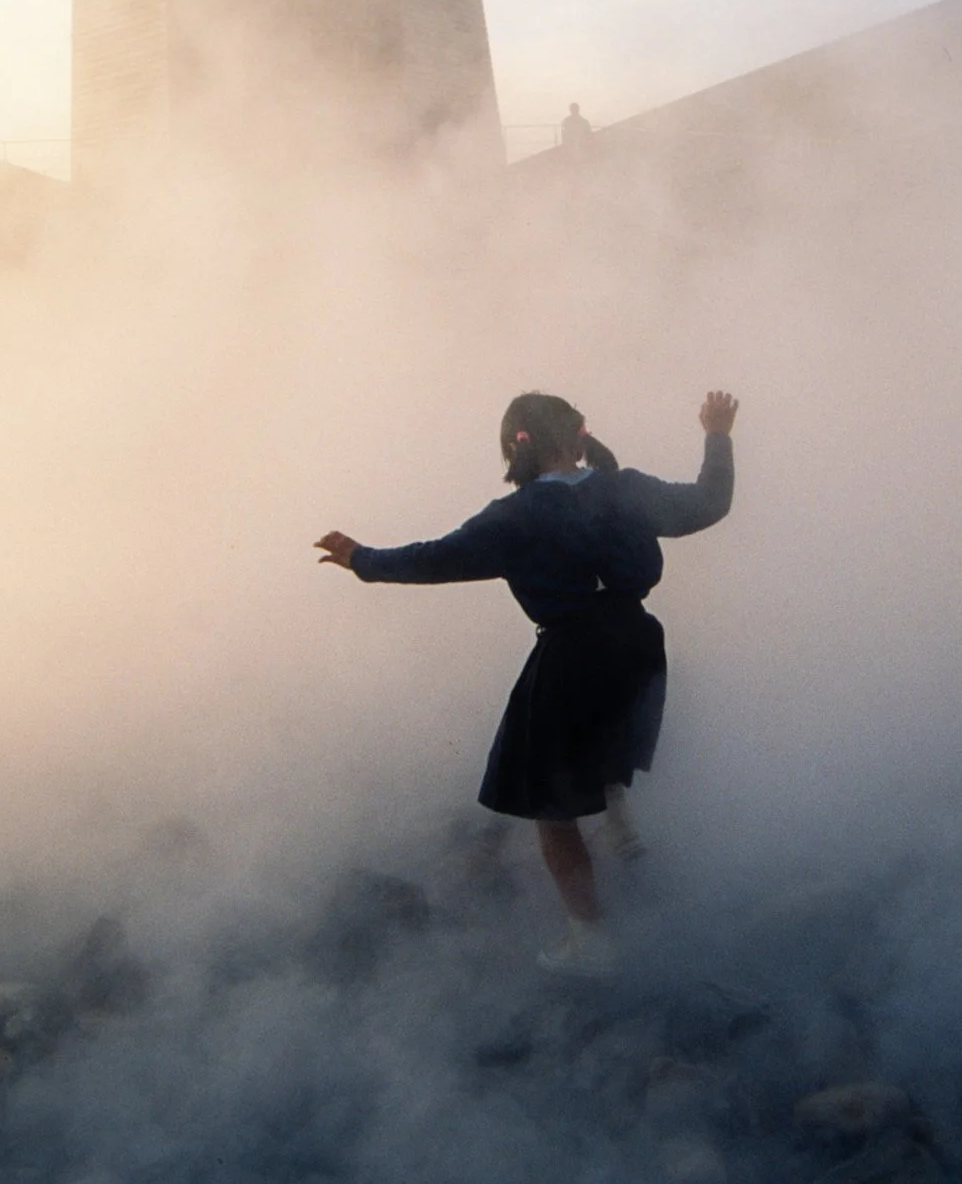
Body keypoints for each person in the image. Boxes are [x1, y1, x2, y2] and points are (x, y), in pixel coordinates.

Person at [316, 390, 738, 976]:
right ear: (577, 438)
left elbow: (433, 560)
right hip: (639, 644)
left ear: (519, 448)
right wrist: (717, 433)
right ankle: (616, 814)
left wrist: (362, 559)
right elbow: (710, 503)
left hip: (571, 658)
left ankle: (591, 943)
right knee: (607, 723)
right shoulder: (626, 489)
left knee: (550, 808)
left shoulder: (512, 519)